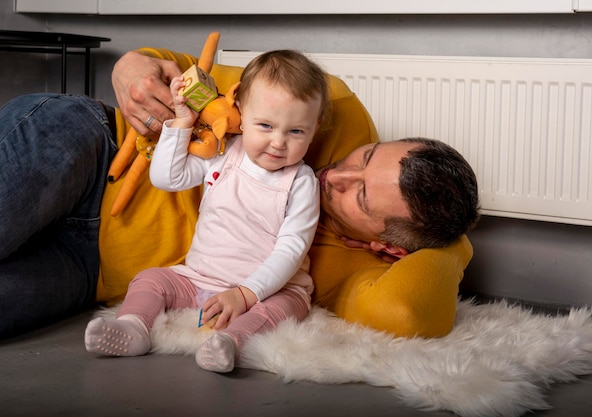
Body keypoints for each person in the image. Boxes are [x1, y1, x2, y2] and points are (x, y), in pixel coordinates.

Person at [0, 44, 479, 343]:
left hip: (90, 271)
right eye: (366, 156)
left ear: (388, 247)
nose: (337, 175)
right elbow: (185, 71)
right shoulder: (328, 104)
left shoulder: (359, 270)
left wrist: (451, 239)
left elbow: (411, 314)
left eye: (361, 198)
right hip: (90, 152)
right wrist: (133, 67)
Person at [84, 49, 328, 373]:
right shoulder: (224, 153)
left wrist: (245, 294)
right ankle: (134, 327)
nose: (278, 142)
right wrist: (180, 125)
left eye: (296, 131)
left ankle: (231, 343)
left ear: (315, 126)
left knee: (281, 308)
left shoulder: (300, 183)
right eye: (266, 125)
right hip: (200, 278)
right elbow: (166, 178)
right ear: (240, 106)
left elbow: (292, 249)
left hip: (270, 289)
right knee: (150, 280)